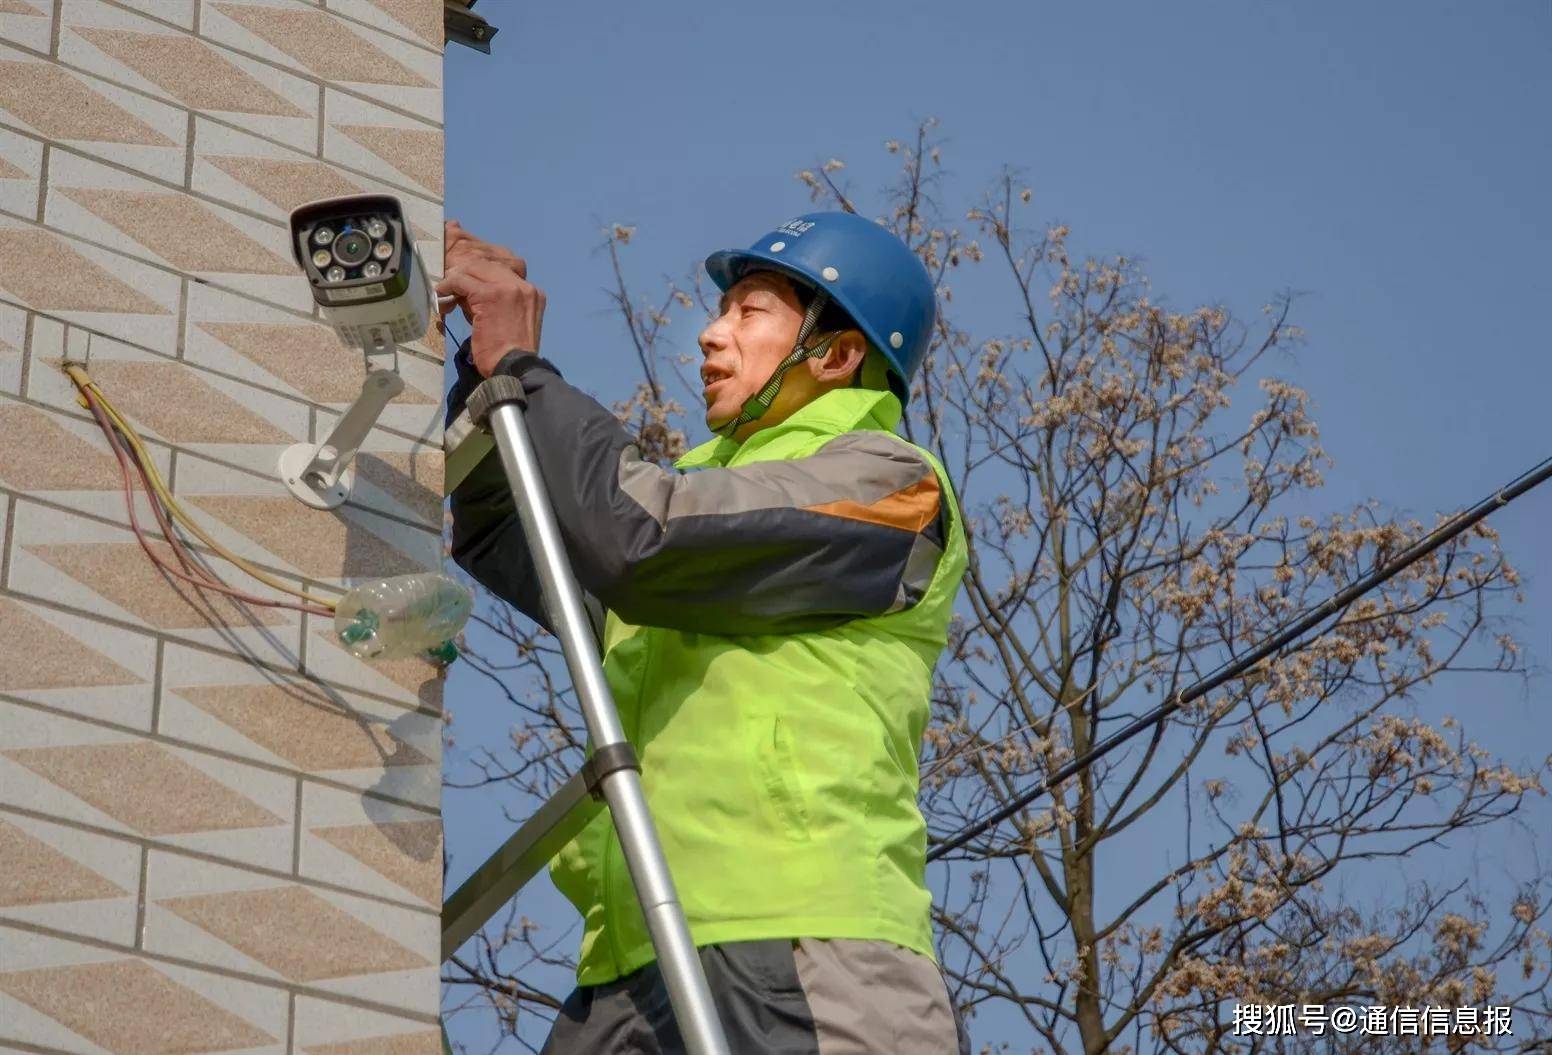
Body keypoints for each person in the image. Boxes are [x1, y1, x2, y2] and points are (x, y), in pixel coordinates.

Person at [441, 211, 971, 1054]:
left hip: (804, 944)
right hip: (627, 953)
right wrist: (482, 368)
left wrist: (524, 367)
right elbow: (515, 528)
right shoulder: (685, 493)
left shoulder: (891, 485)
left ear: (836, 355)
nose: (710, 335)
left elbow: (638, 540)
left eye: (749, 313)